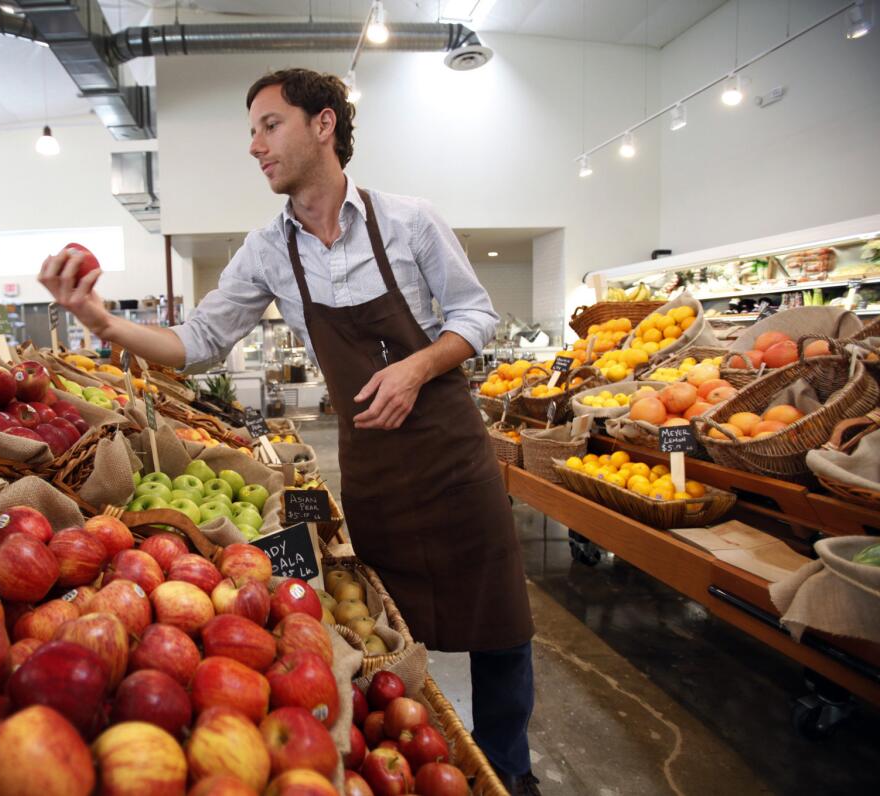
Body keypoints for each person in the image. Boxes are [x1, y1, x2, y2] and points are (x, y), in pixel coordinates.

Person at [40, 68, 538, 794]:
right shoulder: (269, 249)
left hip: (451, 449)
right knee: (382, 630)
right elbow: (200, 341)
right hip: (373, 460)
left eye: (269, 125)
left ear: (324, 124)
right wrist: (101, 321)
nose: (254, 146)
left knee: (500, 618)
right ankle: (418, 757)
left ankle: (511, 772)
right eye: (252, 131)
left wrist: (416, 368)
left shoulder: (410, 219)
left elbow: (476, 316)